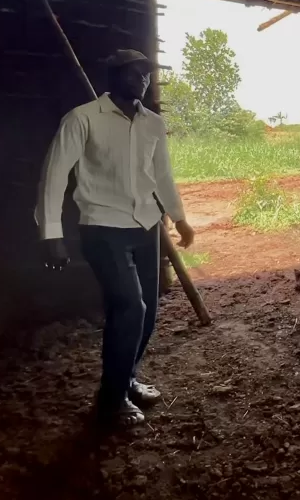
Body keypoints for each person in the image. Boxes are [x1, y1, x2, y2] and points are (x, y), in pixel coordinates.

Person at [36, 49, 195, 428]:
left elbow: (162, 176)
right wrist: (50, 233)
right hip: (102, 227)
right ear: (113, 74)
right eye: (135, 73)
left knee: (148, 310)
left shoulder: (152, 123)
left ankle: (127, 377)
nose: (143, 79)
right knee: (131, 307)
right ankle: (111, 400)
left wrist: (180, 218)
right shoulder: (83, 119)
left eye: (147, 74)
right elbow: (54, 176)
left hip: (145, 225)